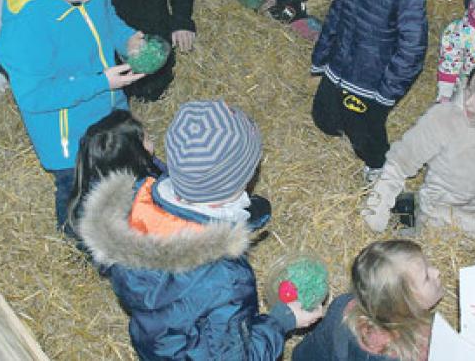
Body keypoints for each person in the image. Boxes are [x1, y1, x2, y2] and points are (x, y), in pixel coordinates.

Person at [78, 100, 324, 360]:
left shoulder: (136, 202)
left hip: (156, 341)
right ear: (236, 182)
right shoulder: (224, 279)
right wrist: (283, 320)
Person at [0, 0, 145, 232]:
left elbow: (109, 20)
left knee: (116, 176)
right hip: (68, 139)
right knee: (77, 193)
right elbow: (35, 97)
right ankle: (75, 239)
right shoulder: (28, 26)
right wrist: (101, 83)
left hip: (107, 110)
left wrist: (128, 39)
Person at [311, 0, 428, 183]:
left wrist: (387, 91)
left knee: (364, 130)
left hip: (372, 76)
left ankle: (379, 167)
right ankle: (349, 123)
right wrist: (322, 55)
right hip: (341, 62)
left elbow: (412, 48)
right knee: (323, 118)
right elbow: (337, 13)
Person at [364, 60, 475, 235]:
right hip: (444, 209)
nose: (468, 102)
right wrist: (376, 210)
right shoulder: (443, 118)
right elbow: (400, 162)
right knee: (441, 223)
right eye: (469, 90)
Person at [292, 239, 443, 361]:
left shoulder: (342, 306)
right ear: (404, 304)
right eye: (426, 278)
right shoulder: (417, 350)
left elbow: (310, 352)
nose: (436, 272)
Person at [63, 109, 165, 241]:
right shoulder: (141, 193)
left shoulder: (93, 176)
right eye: (147, 139)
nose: (151, 141)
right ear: (134, 154)